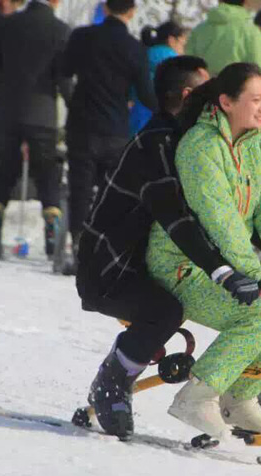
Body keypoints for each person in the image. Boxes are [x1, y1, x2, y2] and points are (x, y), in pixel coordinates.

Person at [79, 55, 261, 438]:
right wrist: (222, 270)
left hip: (152, 262)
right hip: (112, 270)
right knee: (165, 311)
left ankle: (241, 389)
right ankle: (111, 383)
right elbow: (177, 218)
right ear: (189, 94)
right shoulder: (157, 146)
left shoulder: (193, 141)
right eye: (212, 88)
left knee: (252, 311)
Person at [145, 63, 261, 437]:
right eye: (255, 100)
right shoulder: (202, 147)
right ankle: (197, 395)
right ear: (227, 102)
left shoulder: (249, 146)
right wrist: (254, 273)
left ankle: (238, 397)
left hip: (224, 268)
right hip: (184, 266)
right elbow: (221, 221)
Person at [60, 0, 158, 273]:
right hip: (115, 129)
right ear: (131, 12)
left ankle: (79, 246)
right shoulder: (135, 49)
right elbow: (146, 94)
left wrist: (72, 103)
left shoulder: (81, 37)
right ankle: (102, 251)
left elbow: (64, 74)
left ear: (105, 8)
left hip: (81, 125)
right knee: (110, 193)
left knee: (79, 188)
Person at [0, 0, 72, 260]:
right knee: (47, 175)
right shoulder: (60, 30)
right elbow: (63, 77)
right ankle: (52, 236)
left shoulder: (7, 25)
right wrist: (73, 105)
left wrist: (4, 85)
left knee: (3, 172)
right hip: (42, 115)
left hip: (7, 111)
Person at [128, 21, 189, 136]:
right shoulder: (174, 63)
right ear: (171, 40)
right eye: (183, 43)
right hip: (158, 120)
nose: (184, 49)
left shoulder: (144, 54)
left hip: (135, 116)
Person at [185, 0, 261, 78]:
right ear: (244, 2)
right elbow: (257, 64)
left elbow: (189, 62)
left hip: (205, 86)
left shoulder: (200, 29)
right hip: (237, 87)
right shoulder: (250, 31)